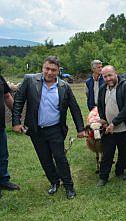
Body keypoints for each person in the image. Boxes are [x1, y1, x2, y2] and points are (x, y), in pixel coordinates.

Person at [12, 56, 85, 199]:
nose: (50, 72)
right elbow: (18, 101)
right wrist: (16, 122)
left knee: (60, 158)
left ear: (58, 71)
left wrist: (80, 129)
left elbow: (75, 109)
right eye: (47, 68)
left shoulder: (64, 87)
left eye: (53, 70)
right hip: (36, 129)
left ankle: (69, 186)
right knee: (44, 159)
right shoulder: (30, 81)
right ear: (42, 67)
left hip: (55, 129)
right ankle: (54, 182)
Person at [96, 65, 126, 186]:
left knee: (123, 152)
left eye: (110, 75)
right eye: (105, 76)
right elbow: (100, 106)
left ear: (115, 73)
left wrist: (114, 123)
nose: (108, 78)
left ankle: (120, 171)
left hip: (123, 127)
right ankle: (103, 177)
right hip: (108, 129)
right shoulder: (102, 88)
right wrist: (104, 120)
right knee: (107, 153)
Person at [0, 75, 20, 198]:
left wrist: (16, 115)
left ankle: (3, 181)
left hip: (0, 126)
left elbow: (7, 96)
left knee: (3, 155)